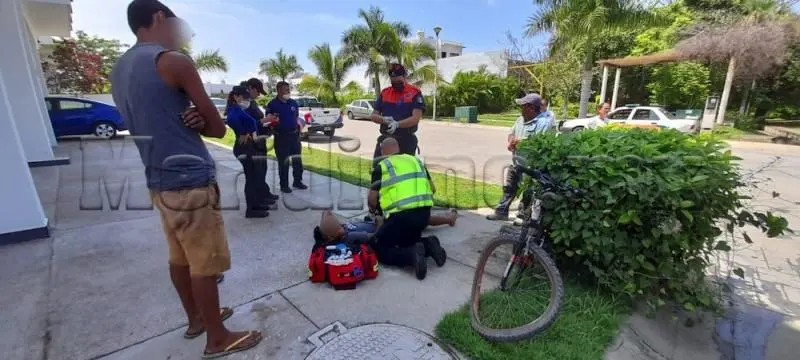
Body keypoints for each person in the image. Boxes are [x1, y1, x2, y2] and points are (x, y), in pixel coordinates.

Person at [110, 1, 262, 358]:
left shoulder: (119, 70)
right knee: (204, 261)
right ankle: (218, 337)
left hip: (157, 178)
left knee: (179, 256)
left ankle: (197, 320)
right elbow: (218, 127)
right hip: (190, 177)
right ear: (160, 18)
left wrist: (193, 116)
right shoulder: (172, 61)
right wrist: (200, 118)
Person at [368, 137, 447, 280]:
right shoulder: (416, 161)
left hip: (400, 218)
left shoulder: (382, 166)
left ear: (382, 150)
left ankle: (410, 257)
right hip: (423, 216)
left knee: (379, 247)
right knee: (404, 240)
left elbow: (372, 200)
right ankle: (429, 245)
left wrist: (375, 212)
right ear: (398, 148)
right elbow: (432, 189)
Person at [487, 93, 554, 221]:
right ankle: (501, 212)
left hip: (531, 165)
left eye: (523, 107)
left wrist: (520, 142)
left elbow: (540, 143)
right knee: (509, 187)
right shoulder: (520, 119)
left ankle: (523, 216)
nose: (521, 109)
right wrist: (511, 140)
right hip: (517, 161)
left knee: (528, 191)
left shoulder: (544, 123)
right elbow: (511, 133)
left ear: (531, 108)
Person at [225, 86, 273, 218]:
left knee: (255, 177)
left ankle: (256, 204)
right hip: (244, 148)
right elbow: (232, 121)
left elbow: (252, 123)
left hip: (250, 146)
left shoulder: (239, 109)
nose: (247, 100)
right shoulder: (234, 111)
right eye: (244, 98)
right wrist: (243, 132)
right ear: (236, 96)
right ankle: (251, 209)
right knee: (251, 178)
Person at [368, 64, 425, 167]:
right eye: (393, 82)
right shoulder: (385, 93)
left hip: (406, 140)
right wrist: (383, 119)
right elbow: (373, 116)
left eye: (399, 82)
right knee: (378, 170)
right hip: (386, 139)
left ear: (405, 77)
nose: (396, 84)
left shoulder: (414, 93)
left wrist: (397, 124)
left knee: (404, 172)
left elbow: (416, 118)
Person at [241, 78, 278, 204]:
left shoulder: (253, 103)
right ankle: (254, 204)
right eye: (258, 91)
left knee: (261, 171)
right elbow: (245, 126)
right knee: (253, 175)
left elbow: (257, 124)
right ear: (250, 88)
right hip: (250, 145)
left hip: (259, 143)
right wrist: (264, 121)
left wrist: (269, 124)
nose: (259, 94)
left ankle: (263, 195)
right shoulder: (243, 104)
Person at [266, 81, 307, 193]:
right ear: (279, 90)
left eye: (289, 89)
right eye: (285, 89)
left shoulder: (293, 103)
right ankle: (284, 185)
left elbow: (296, 117)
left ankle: (297, 181)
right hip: (281, 137)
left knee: (297, 160)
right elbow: (268, 121)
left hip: (294, 136)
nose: (288, 91)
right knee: (283, 162)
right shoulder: (272, 104)